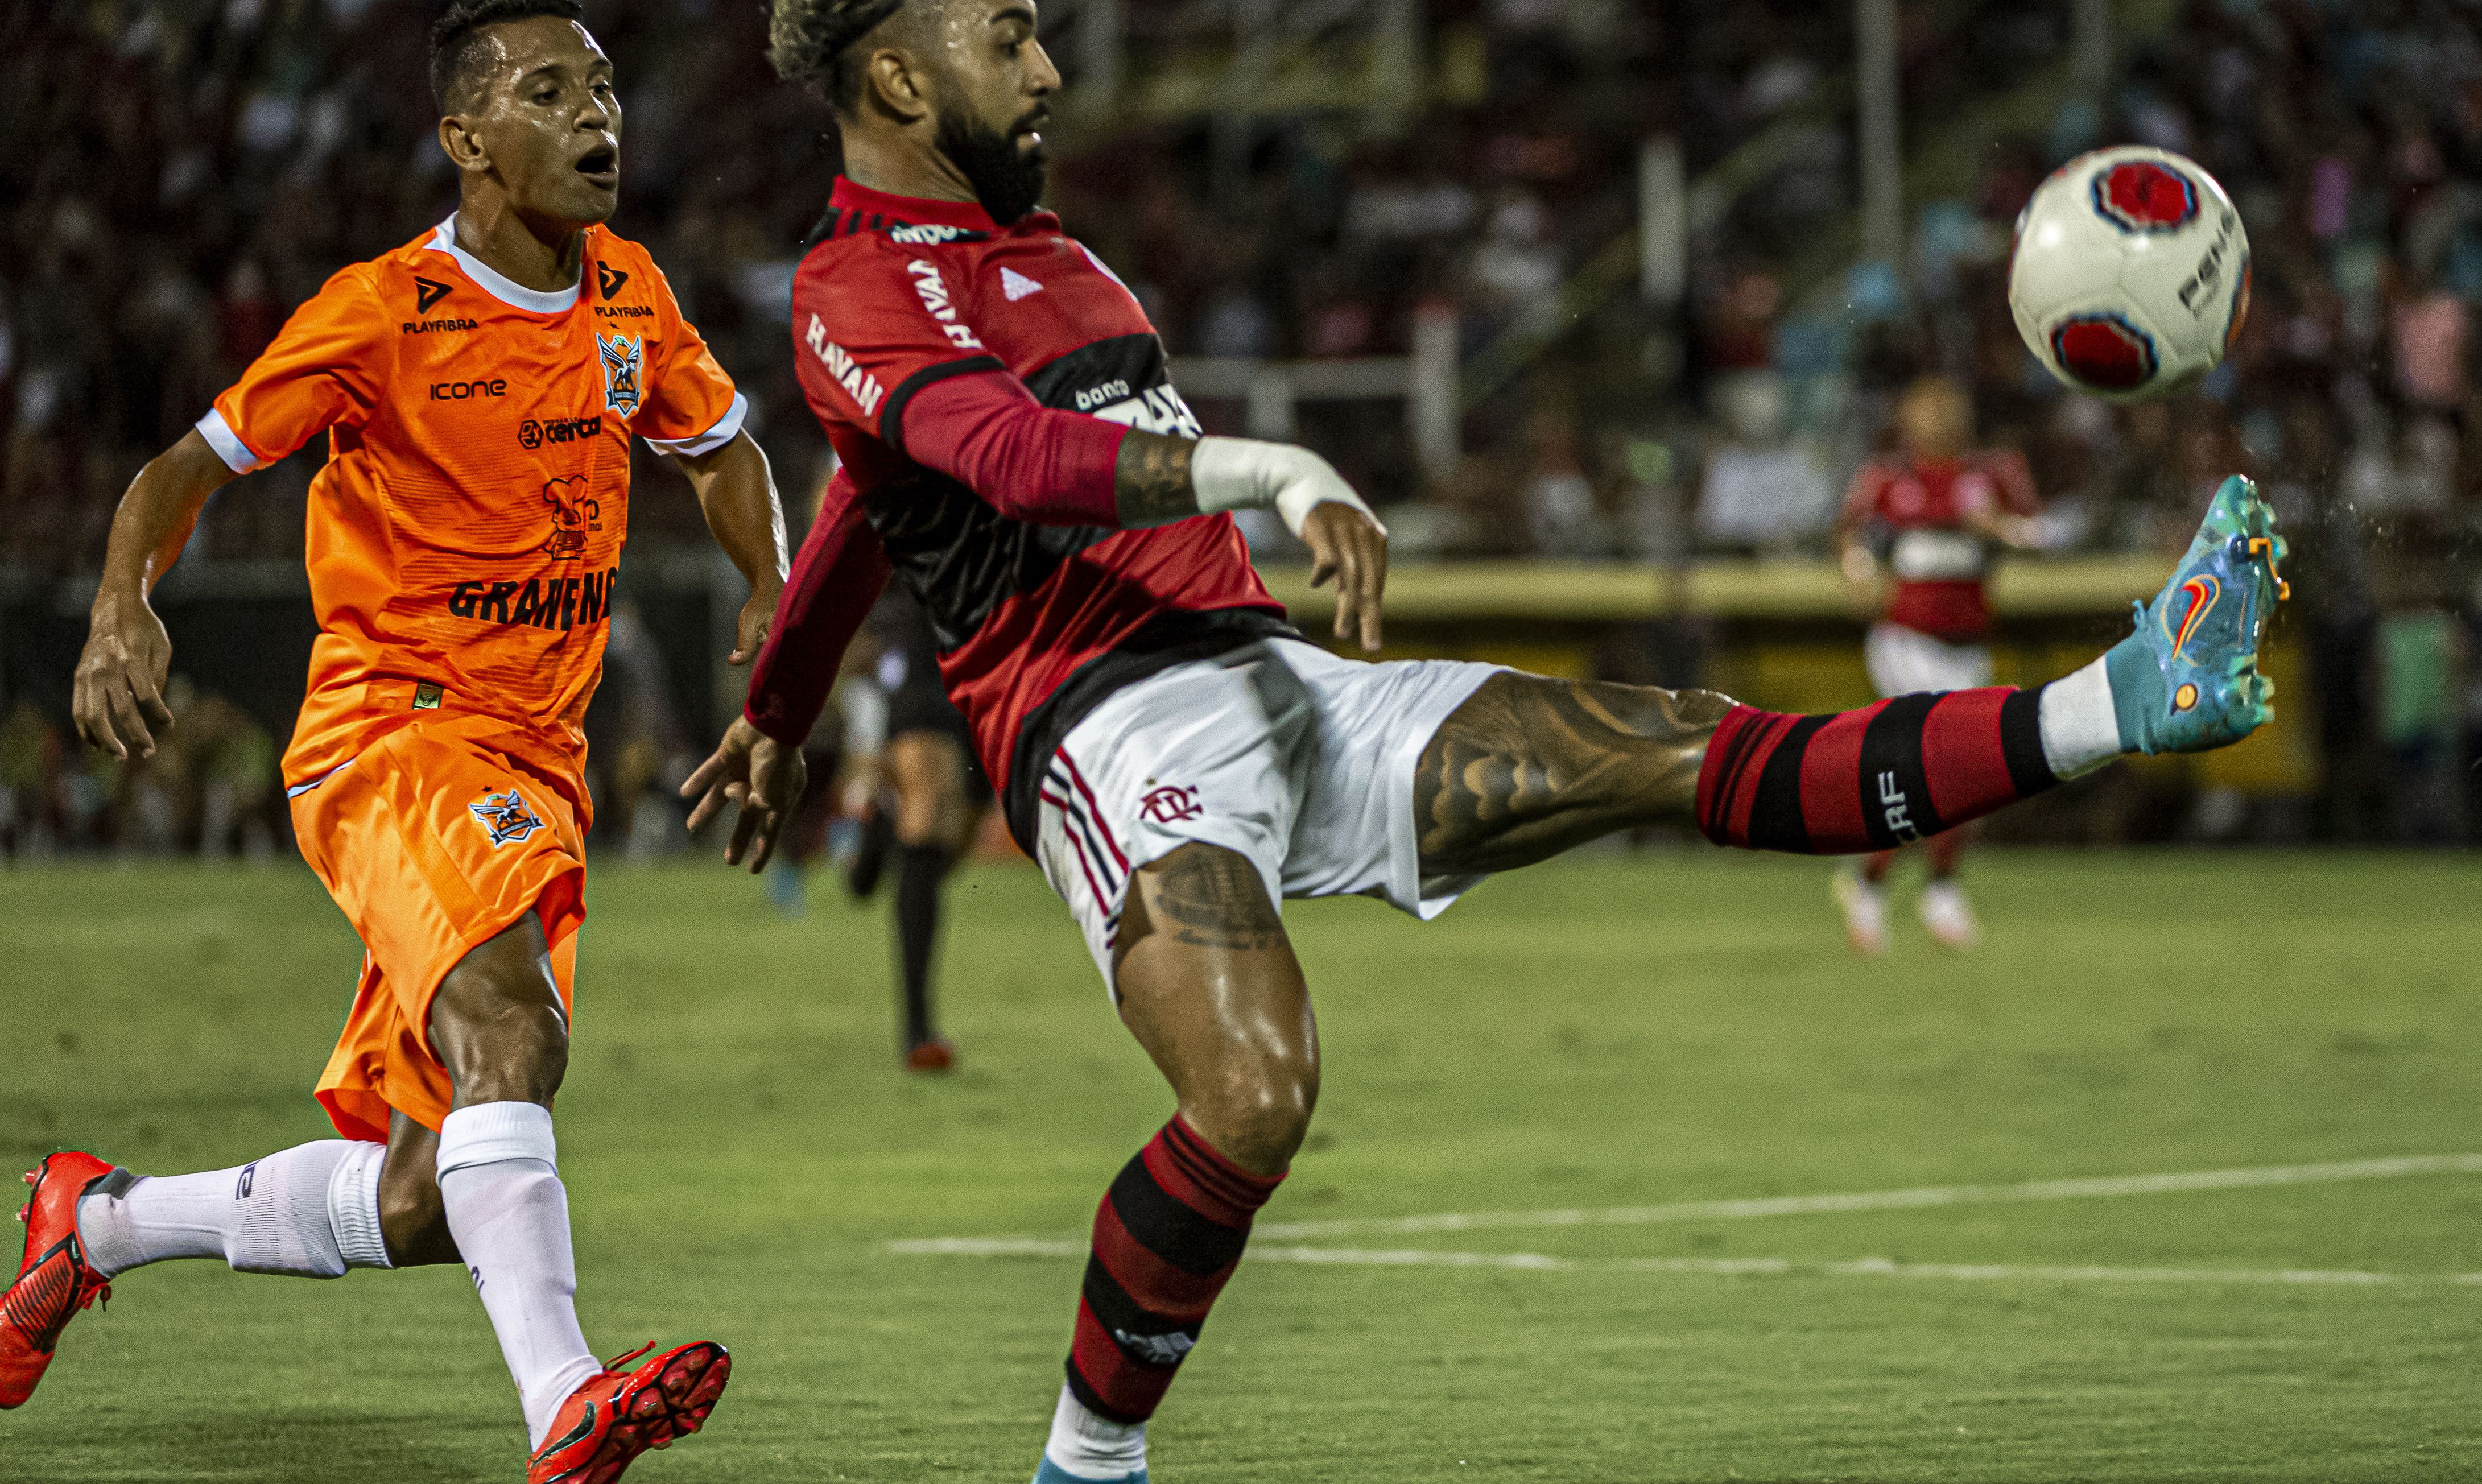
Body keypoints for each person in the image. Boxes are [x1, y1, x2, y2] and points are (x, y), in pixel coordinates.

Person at [686, 5, 2287, 1480]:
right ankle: (1083, 1468)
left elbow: (861, 491)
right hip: (1103, 732)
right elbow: (1002, 458)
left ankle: (2123, 697)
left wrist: (773, 708)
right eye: (1007, 35)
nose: (1044, 70)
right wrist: (1275, 469)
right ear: (897, 79)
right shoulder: (857, 284)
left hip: (1273, 679)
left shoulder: (1048, 258)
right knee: (1250, 1092)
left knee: (1685, 748)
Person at [6, 6, 778, 1479]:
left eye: (605, 87)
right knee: (516, 1038)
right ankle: (565, 1402)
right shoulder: (382, 310)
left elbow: (724, 444)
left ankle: (93, 1223)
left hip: (529, 761)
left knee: (432, 1194)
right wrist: (120, 607)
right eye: (550, 92)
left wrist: (770, 587)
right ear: (469, 139)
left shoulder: (629, 298)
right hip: (391, 731)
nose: (597, 115)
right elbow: (188, 464)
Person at [1831, 376, 2043, 952]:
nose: (1939, 424)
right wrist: (1856, 572)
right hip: (1904, 639)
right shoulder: (1888, 477)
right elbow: (1850, 533)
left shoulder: (1993, 473)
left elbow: (2040, 533)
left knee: (1956, 775)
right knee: (1935, 762)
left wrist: (1996, 529)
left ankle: (1874, 880)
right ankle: (1935, 889)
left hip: (1967, 642)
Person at [844, 580, 990, 1071]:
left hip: (967, 687)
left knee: (942, 850)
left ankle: (882, 829)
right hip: (926, 689)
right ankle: (917, 1029)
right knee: (927, 854)